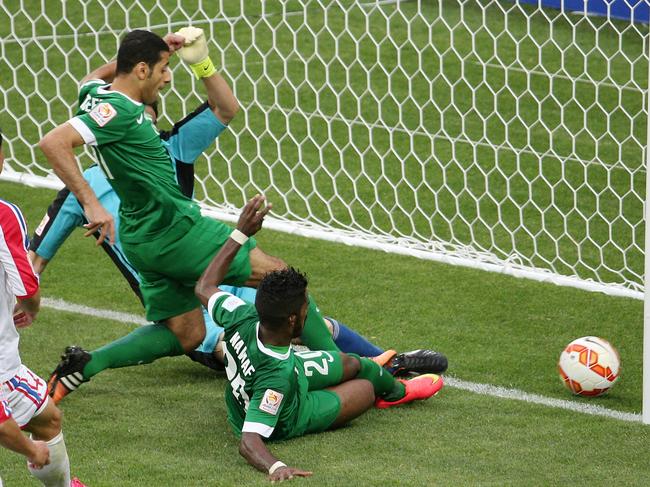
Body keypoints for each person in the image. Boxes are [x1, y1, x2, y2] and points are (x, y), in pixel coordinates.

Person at [39, 28, 445, 403]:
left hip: (142, 239)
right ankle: (366, 379)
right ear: (142, 70)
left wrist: (156, 47)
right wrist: (91, 203)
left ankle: (85, 365)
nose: (167, 78)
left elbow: (97, 76)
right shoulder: (123, 115)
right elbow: (54, 142)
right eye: (162, 70)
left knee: (186, 332)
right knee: (282, 280)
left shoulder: (93, 94)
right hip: (176, 230)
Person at [195, 195, 444, 481]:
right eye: (305, 307)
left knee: (353, 363)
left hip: (290, 375)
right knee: (364, 389)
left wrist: (240, 233)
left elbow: (204, 285)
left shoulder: (242, 315)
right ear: (291, 319)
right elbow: (249, 442)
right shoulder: (275, 378)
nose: (308, 311)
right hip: (287, 415)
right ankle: (389, 395)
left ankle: (397, 389)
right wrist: (277, 467)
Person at [0, 130, 85, 487]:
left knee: (47, 416)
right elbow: (26, 284)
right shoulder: (3, 214)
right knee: (46, 422)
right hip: (1, 367)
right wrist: (31, 306)